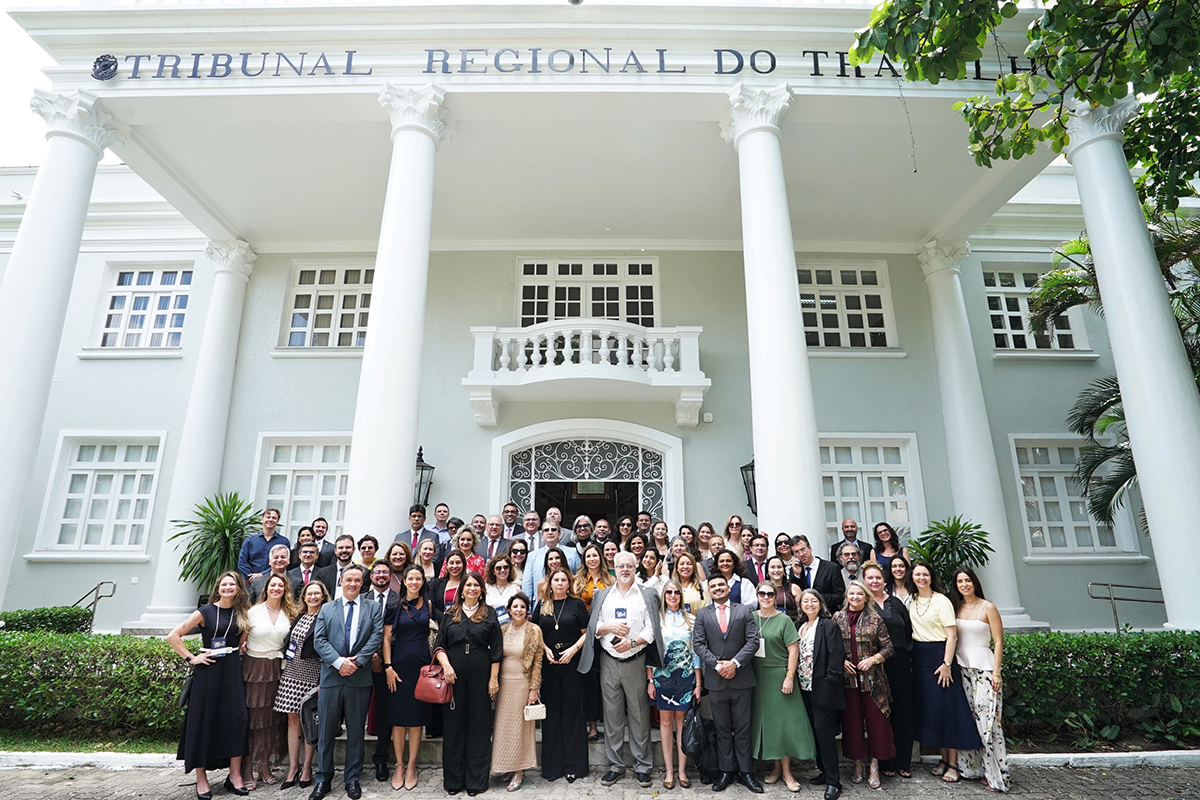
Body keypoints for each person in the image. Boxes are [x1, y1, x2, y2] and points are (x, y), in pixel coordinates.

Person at [579, 552, 663, 789]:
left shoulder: (647, 594)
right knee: (612, 716)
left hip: (635, 659)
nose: (625, 569)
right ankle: (615, 766)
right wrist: (608, 627)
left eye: (629, 565)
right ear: (613, 568)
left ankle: (643, 766)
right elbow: (593, 625)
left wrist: (634, 642)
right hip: (608, 660)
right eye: (620, 566)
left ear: (636, 567)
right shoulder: (602, 594)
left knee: (638, 716)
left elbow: (652, 628)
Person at [168, 571, 251, 799]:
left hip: (232, 671)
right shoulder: (204, 612)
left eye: (232, 584)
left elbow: (242, 642)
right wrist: (192, 658)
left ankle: (235, 775)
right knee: (203, 722)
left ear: (238, 588)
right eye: (224, 584)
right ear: (218, 587)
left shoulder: (243, 613)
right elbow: (173, 636)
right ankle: (201, 779)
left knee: (238, 720)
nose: (227, 587)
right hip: (209, 672)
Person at [309, 564, 384, 800]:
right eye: (349, 579)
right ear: (341, 580)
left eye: (358, 580)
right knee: (326, 731)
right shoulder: (327, 608)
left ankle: (352, 778)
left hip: (359, 679)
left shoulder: (373, 608)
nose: (353, 583)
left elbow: (376, 637)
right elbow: (319, 640)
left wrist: (358, 662)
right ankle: (323, 779)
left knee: (355, 732)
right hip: (331, 677)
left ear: (363, 583)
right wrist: (340, 662)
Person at [909, 561, 982, 784]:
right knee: (933, 711)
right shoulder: (911, 600)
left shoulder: (941, 600)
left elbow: (952, 635)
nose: (921, 578)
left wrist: (947, 663)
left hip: (940, 657)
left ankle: (953, 764)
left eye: (925, 574)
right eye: (917, 574)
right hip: (920, 657)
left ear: (931, 577)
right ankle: (942, 759)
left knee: (948, 710)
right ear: (913, 578)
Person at [433, 571, 503, 796]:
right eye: (468, 585)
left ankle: (476, 781)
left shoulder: (489, 614)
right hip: (453, 678)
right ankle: (454, 781)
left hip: (481, 677)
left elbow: (497, 651)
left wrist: (493, 679)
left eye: (476, 585)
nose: (471, 588)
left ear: (482, 590)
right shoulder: (450, 613)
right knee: (453, 728)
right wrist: (446, 666)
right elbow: (438, 645)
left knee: (479, 728)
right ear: (461, 589)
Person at [692, 573, 762, 793]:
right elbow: (698, 644)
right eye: (713, 586)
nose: (718, 588)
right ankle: (725, 772)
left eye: (721, 584)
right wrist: (718, 665)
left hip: (741, 679)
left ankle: (746, 772)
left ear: (728, 587)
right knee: (722, 729)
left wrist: (735, 663)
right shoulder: (702, 614)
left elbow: (753, 641)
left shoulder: (744, 611)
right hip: (716, 680)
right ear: (709, 590)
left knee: (743, 728)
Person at [950, 568, 1010, 793]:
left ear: (975, 582)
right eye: (959, 581)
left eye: (968, 580)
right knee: (968, 721)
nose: (964, 584)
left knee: (989, 724)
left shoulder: (988, 607)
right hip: (961, 669)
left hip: (984, 670)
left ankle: (998, 775)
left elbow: (999, 641)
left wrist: (996, 671)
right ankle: (973, 769)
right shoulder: (956, 607)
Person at [751, 581, 814, 792]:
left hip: (779, 675)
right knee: (769, 725)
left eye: (770, 594)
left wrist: (789, 676)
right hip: (758, 678)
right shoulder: (751, 618)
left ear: (776, 597)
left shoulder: (784, 619)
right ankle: (775, 769)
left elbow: (793, 651)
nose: (766, 597)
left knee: (783, 725)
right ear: (757, 595)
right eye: (762, 594)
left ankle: (787, 773)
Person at [833, 580, 895, 789]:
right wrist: (841, 661)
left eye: (860, 594)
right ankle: (857, 764)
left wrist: (873, 659)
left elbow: (888, 648)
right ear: (847, 596)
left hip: (873, 681)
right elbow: (831, 647)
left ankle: (875, 765)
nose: (855, 597)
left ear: (866, 597)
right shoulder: (837, 618)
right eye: (852, 594)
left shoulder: (875, 618)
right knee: (852, 723)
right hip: (848, 681)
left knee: (877, 723)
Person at [532, 566, 591, 782]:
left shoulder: (577, 605)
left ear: (569, 583)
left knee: (573, 714)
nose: (559, 583)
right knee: (552, 715)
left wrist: (573, 649)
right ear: (550, 583)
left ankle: (573, 765)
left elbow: (587, 634)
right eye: (556, 580)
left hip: (571, 661)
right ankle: (552, 767)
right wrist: (546, 649)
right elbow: (535, 632)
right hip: (549, 663)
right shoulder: (542, 605)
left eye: (563, 580)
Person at [862, 561, 914, 780]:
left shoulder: (896, 603)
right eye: (870, 578)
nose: (874, 582)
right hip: (875, 665)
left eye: (878, 578)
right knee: (881, 713)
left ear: (884, 580)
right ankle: (886, 761)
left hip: (900, 663)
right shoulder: (862, 603)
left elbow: (909, 631)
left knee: (903, 712)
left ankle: (903, 761)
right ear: (864, 582)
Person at [242, 572, 296, 787]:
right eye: (272, 585)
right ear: (266, 588)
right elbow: (241, 642)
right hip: (255, 669)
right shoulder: (253, 612)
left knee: (272, 721)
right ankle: (247, 768)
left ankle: (264, 765)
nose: (276, 589)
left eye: (280, 586)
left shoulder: (289, 613)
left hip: (278, 670)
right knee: (254, 720)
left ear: (285, 590)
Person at [276, 580, 330, 790]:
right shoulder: (299, 616)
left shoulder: (325, 617)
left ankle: (307, 768)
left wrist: (321, 682)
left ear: (323, 597)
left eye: (317, 594)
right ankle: (293, 768)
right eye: (310, 594)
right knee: (292, 719)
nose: (313, 597)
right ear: (304, 597)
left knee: (309, 722)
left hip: (312, 675)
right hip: (291, 673)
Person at [649, 580, 702, 790]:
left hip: (685, 676)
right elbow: (651, 653)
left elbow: (695, 653)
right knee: (665, 722)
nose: (672, 596)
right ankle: (669, 771)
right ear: (664, 596)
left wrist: (698, 683)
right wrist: (650, 680)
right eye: (669, 592)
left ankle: (682, 771)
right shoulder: (657, 620)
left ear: (681, 596)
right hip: (662, 677)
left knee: (682, 722)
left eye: (676, 593)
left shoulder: (691, 619)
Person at [383, 565, 433, 791]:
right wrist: (388, 667)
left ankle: (412, 765)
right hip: (399, 666)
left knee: (416, 719)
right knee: (398, 718)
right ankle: (399, 765)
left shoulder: (430, 605)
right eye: (410, 578)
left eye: (418, 579)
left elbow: (443, 629)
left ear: (423, 581)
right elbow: (385, 639)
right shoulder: (394, 606)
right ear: (405, 581)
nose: (414, 582)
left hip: (422, 668)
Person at [491, 593, 543, 791]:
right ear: (509, 610)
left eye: (522, 607)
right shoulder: (503, 629)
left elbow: (538, 661)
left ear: (527, 610)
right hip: (504, 684)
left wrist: (534, 688)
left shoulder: (533, 630)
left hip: (522, 683)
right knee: (503, 727)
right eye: (515, 607)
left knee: (521, 729)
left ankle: (520, 770)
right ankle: (507, 765)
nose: (519, 610)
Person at [797, 589, 846, 800]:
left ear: (820, 603)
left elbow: (837, 657)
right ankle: (824, 772)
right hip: (804, 688)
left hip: (823, 689)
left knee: (825, 735)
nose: (809, 604)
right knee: (815, 733)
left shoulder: (828, 626)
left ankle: (834, 782)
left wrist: (829, 682)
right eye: (805, 601)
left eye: (813, 600)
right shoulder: (800, 627)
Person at [572, 542, 612, 742]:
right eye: (588, 556)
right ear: (584, 560)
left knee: (604, 679)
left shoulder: (610, 580)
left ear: (600, 558)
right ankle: (592, 726)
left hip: (606, 635)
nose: (592, 559)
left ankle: (610, 724)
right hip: (583, 635)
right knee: (587, 681)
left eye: (595, 555)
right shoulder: (577, 581)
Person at [364, 562, 399, 782]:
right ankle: (355, 759)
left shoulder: (399, 599)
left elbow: (397, 633)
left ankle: (381, 758)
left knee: (385, 712)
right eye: (377, 572)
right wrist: (371, 656)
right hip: (365, 664)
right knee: (358, 712)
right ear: (371, 575)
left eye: (385, 572)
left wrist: (383, 659)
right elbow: (357, 630)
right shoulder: (361, 598)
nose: (381, 575)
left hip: (390, 664)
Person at [523, 521, 580, 598]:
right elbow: (527, 584)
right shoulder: (532, 556)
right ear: (542, 535)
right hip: (541, 603)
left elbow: (580, 578)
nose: (550, 532)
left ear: (559, 534)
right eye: (546, 530)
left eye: (553, 530)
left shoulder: (572, 552)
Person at [239, 508, 289, 582]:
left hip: (273, 580)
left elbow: (284, 562)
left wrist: (262, 575)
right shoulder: (250, 541)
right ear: (262, 519)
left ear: (277, 521)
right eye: (268, 517)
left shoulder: (284, 542)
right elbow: (242, 562)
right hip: (250, 581)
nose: (270, 519)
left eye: (274, 518)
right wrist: (251, 576)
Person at [765, 555, 802, 622]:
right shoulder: (762, 589)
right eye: (772, 567)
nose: (776, 570)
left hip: (792, 627)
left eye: (779, 567)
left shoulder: (794, 588)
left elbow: (802, 612)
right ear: (767, 571)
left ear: (784, 570)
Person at [321, 535, 358, 600]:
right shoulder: (323, 573)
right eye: (340, 548)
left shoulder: (363, 573)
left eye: (348, 547)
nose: (344, 550)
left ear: (353, 550)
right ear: (335, 550)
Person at [485, 552, 520, 617]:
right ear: (493, 571)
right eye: (498, 568)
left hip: (510, 625)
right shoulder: (486, 588)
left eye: (506, 567)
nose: (503, 570)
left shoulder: (516, 589)